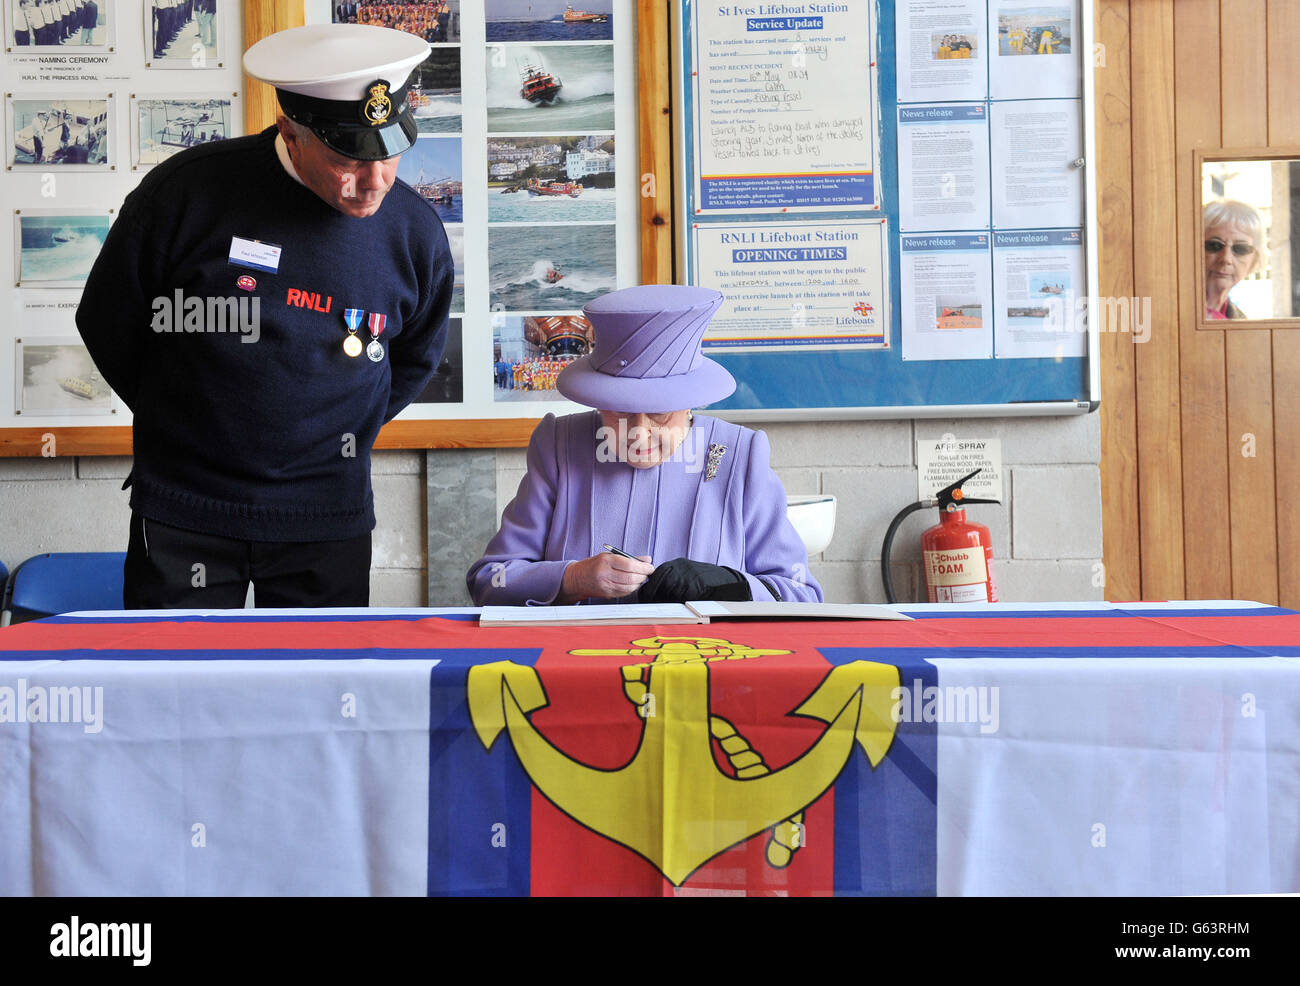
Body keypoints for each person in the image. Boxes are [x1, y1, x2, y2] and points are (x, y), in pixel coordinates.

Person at [76, 23, 454, 608]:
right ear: (290, 131)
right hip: (189, 507)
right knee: (176, 690)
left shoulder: (414, 232)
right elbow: (108, 321)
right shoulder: (183, 194)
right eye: (348, 159)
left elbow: (414, 357)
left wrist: (333, 435)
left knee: (320, 692)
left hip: (328, 513)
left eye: (391, 152)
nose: (374, 182)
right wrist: (196, 422)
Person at [467, 284, 823, 606]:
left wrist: (732, 585)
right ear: (598, 401)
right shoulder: (558, 448)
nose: (638, 432)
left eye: (659, 414)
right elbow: (488, 582)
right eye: (620, 412)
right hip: (578, 666)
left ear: (689, 402)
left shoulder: (739, 456)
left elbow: (802, 595)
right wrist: (573, 578)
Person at [1203, 199, 1264, 319]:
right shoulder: (1168, 308)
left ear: (1254, 259)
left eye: (1240, 249)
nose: (1226, 259)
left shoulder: (1240, 321)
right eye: (1214, 245)